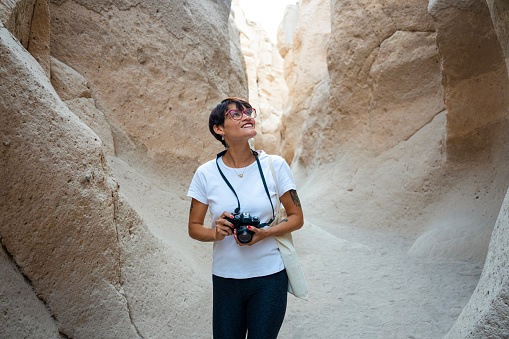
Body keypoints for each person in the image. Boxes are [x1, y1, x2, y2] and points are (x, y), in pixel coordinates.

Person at [187, 97, 304, 338]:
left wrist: (266, 233)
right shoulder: (205, 173)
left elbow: (296, 217)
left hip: (270, 277)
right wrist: (215, 232)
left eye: (249, 111)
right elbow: (193, 227)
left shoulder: (276, 166)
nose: (247, 116)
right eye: (236, 114)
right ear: (219, 129)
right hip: (226, 279)